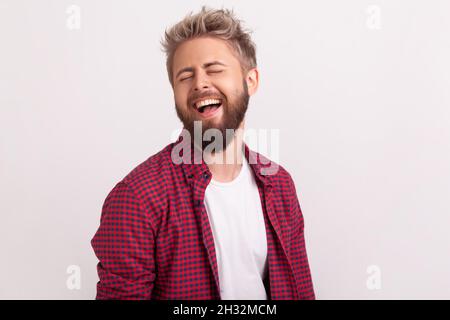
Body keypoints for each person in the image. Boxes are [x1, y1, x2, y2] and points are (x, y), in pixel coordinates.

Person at [91, 6, 315, 300]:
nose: (200, 83)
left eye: (214, 69)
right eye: (185, 76)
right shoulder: (137, 199)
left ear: (251, 81)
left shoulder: (280, 186)